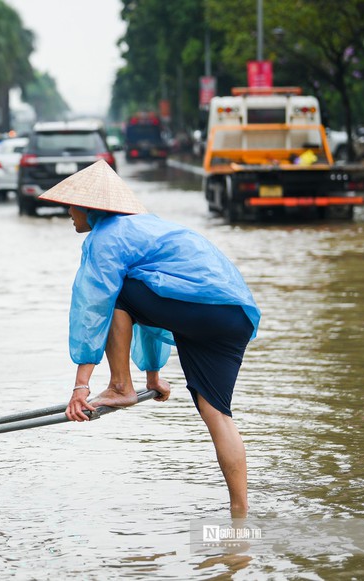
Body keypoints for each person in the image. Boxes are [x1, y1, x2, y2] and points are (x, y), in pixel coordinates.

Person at [40, 160, 260, 518]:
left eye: (72, 204)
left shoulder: (105, 238)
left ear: (91, 208)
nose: (68, 212)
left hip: (203, 308)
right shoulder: (147, 227)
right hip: (234, 315)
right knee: (217, 414)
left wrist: (81, 387)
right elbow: (157, 302)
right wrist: (154, 378)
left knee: (116, 293)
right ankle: (240, 516)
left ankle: (120, 385)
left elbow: (93, 308)